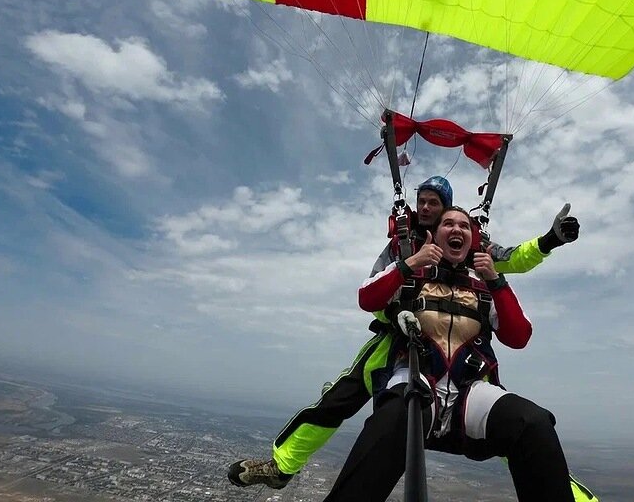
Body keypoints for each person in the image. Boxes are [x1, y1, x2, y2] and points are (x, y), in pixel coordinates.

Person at [229, 176, 581, 490]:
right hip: (397, 338)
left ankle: (574, 496)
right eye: (423, 202)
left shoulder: (477, 256)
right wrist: (402, 291)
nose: (426, 208)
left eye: (435, 204)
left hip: (462, 357)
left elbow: (514, 258)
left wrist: (549, 240)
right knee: (340, 401)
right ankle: (282, 466)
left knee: (523, 428)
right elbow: (372, 291)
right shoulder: (402, 243)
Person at [323, 207, 574, 501]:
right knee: (390, 422)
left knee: (533, 424)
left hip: (469, 392)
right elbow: (367, 298)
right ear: (434, 234)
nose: (457, 230)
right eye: (448, 224)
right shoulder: (412, 273)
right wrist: (410, 263)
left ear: (473, 239)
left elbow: (519, 336)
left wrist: (496, 280)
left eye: (464, 226)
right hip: (418, 379)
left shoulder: (484, 283)